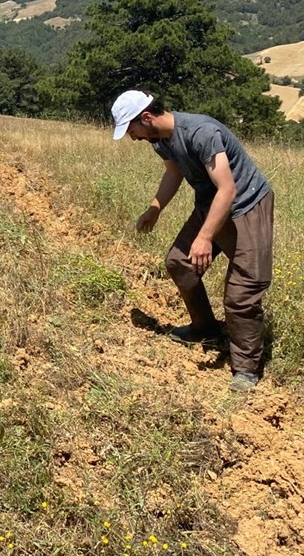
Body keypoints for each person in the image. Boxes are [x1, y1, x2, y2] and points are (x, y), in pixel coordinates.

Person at [111, 90, 274, 393]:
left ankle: (247, 369)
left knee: (242, 293)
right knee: (179, 262)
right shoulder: (159, 139)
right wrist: (155, 209)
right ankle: (205, 328)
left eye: (132, 130)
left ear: (146, 118)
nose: (133, 138)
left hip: (246, 206)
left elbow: (227, 189)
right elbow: (173, 173)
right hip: (210, 204)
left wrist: (205, 237)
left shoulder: (201, 132)